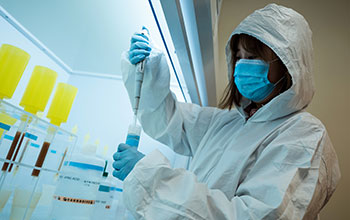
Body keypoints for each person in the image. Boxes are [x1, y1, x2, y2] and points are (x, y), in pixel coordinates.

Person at [113, 3, 341, 219]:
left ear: (288, 64)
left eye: (252, 57)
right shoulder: (226, 123)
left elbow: (255, 215)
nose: (242, 66)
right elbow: (168, 120)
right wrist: (148, 71)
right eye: (239, 57)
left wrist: (151, 179)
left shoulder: (304, 134)